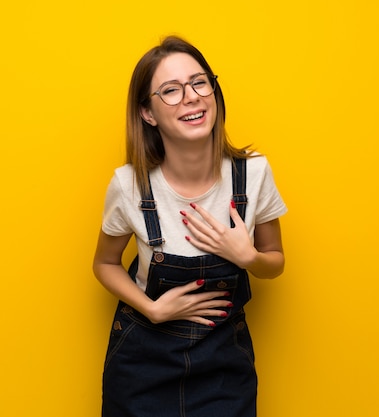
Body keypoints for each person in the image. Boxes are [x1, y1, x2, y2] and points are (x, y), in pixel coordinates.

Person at [93, 35, 287, 417]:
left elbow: (276, 261)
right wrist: (152, 309)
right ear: (148, 113)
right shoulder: (130, 185)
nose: (191, 96)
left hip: (223, 369)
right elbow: (104, 264)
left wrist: (247, 255)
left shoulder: (254, 174)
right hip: (142, 366)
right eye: (171, 90)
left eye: (200, 82)